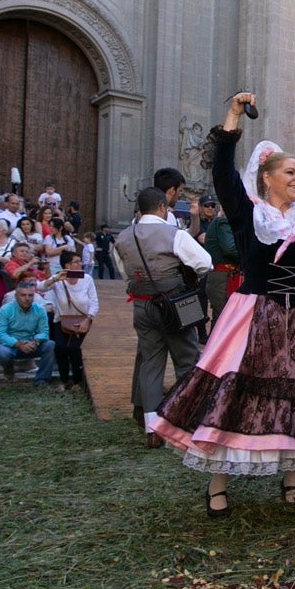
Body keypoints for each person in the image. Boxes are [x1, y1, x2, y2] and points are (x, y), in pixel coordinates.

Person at [152, 94, 295, 513]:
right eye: (290, 171)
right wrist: (232, 115)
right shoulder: (249, 213)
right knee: (234, 394)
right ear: (266, 177)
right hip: (254, 314)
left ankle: (291, 477)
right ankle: (218, 485)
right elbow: (223, 173)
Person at [115, 184, 212, 446]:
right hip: (180, 300)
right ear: (161, 207)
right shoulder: (174, 233)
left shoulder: (122, 237)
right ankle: (188, 419)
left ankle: (152, 428)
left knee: (150, 364)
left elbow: (124, 274)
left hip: (142, 304)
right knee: (188, 358)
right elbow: (205, 263)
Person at [41, 249, 97, 391]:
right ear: (67, 265)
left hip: (82, 319)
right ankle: (64, 380)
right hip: (62, 320)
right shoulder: (59, 279)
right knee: (60, 348)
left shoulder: (87, 278)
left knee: (74, 348)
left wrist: (88, 319)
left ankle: (77, 381)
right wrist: (55, 279)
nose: (80, 264)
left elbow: (94, 302)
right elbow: (41, 287)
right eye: (76, 262)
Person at [0, 279, 55, 385]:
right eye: (23, 295)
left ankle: (42, 379)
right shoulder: (5, 310)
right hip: (10, 345)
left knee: (50, 345)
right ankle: (8, 369)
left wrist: (35, 342)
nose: (27, 298)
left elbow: (44, 332)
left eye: (30, 295)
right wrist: (18, 344)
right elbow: (0, 334)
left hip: (31, 344)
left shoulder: (39, 310)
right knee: (2, 352)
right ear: (16, 296)